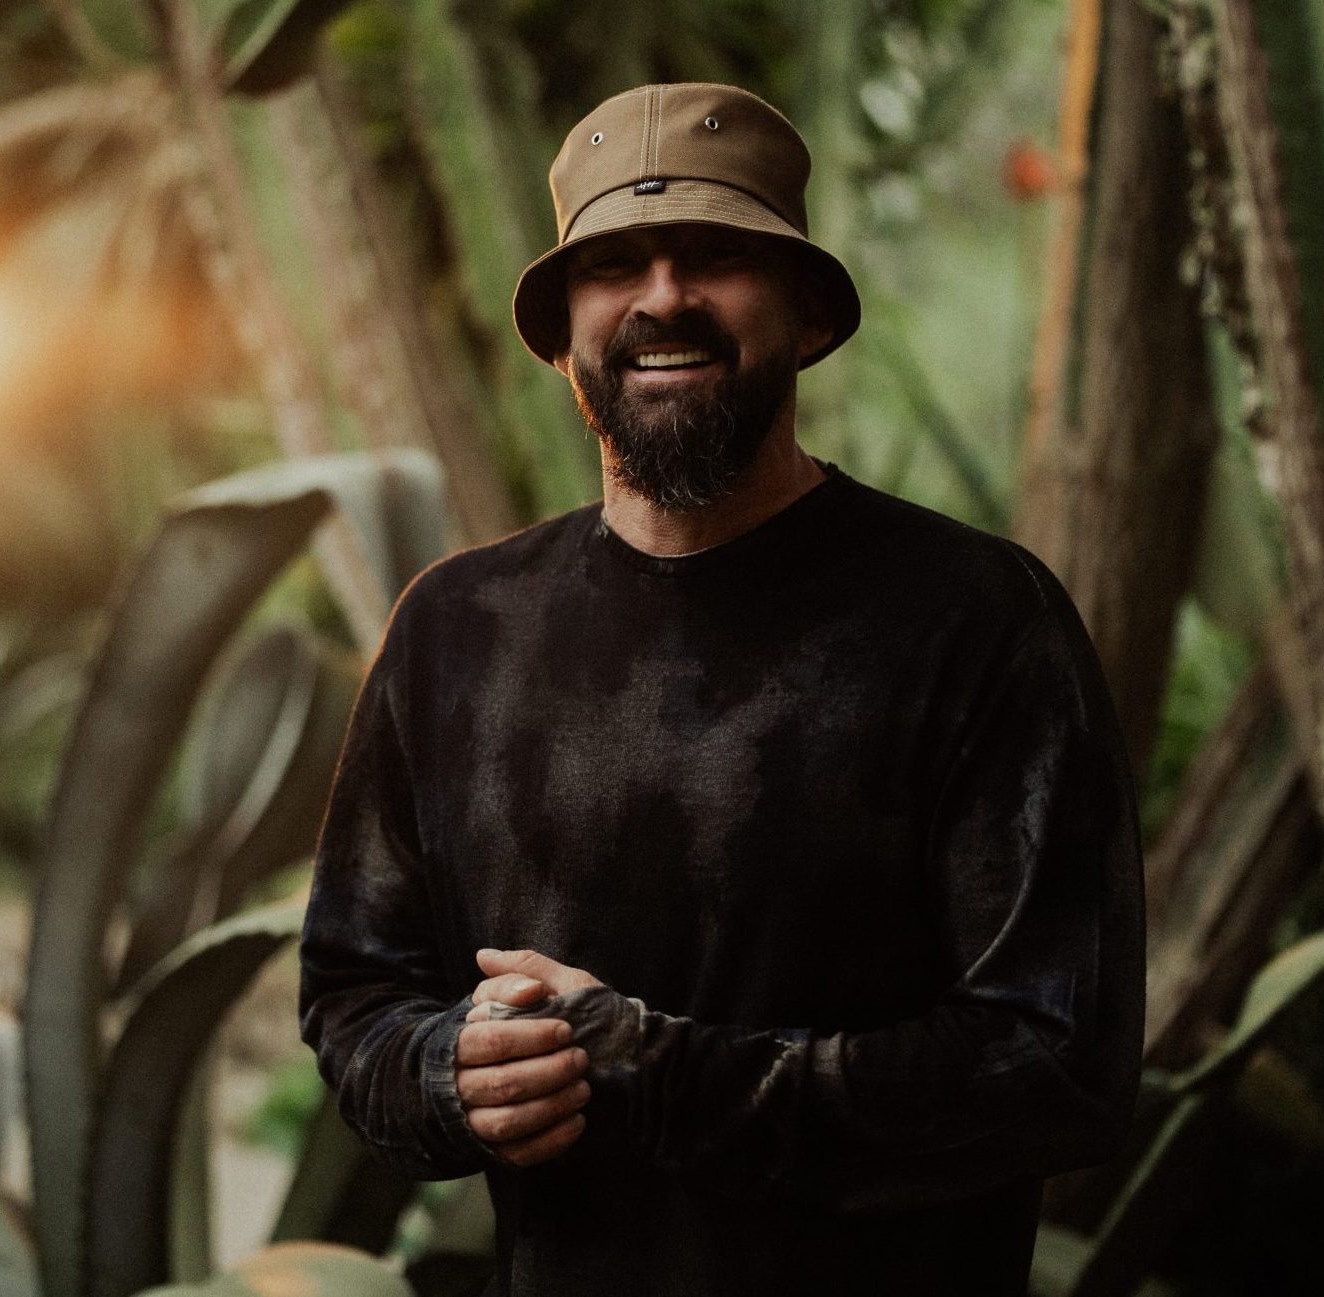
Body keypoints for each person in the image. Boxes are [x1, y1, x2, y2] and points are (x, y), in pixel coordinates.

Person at [300, 82, 1144, 1295]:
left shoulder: (979, 620)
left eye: (714, 254)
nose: (663, 296)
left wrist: (665, 1075)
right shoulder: (456, 629)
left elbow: (1058, 1063)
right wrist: (448, 1073)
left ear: (808, 311)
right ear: (561, 333)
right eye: (614, 265)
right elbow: (354, 993)